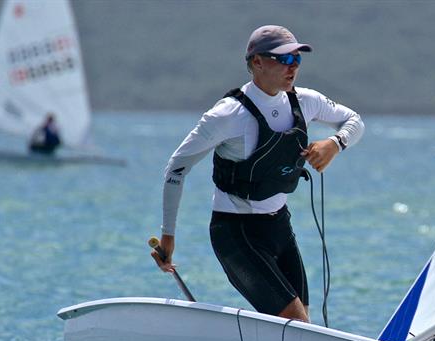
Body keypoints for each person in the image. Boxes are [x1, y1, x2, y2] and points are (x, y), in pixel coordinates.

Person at [152, 25, 364, 322]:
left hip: (279, 227)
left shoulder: (306, 101)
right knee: (296, 322)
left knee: (302, 326)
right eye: (283, 59)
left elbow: (354, 121)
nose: (293, 67)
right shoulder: (226, 115)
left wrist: (335, 143)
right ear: (257, 62)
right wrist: (168, 235)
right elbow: (176, 168)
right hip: (235, 232)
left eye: (297, 59)